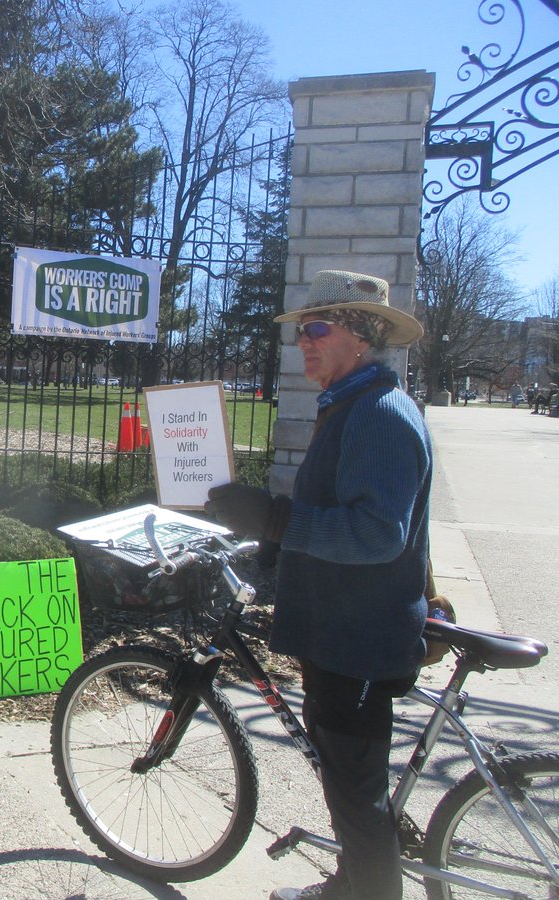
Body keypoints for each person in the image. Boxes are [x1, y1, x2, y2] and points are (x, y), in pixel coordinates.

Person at [204, 269, 431, 900]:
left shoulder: (379, 415)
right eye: (301, 330)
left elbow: (378, 535)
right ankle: (346, 885)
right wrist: (273, 545)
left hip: (358, 638)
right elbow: (333, 508)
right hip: (340, 632)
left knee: (360, 805)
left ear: (362, 337)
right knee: (348, 785)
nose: (304, 341)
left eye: (318, 328)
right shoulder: (348, 407)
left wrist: (276, 517)